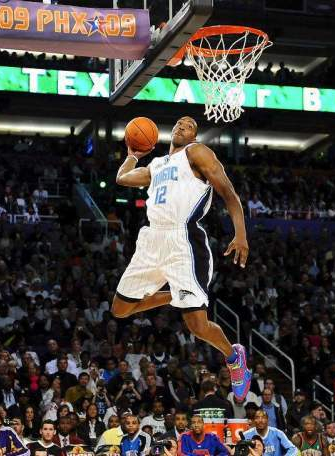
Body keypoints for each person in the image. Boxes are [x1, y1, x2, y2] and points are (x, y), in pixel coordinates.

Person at [112, 116, 252, 403]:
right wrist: (132, 156)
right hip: (152, 239)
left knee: (197, 327)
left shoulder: (197, 152)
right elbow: (122, 178)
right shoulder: (157, 164)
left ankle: (234, 357)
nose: (182, 125)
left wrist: (240, 234)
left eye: (189, 125)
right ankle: (173, 296)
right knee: (120, 309)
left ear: (194, 136)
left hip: (183, 241)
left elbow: (228, 192)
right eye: (178, 123)